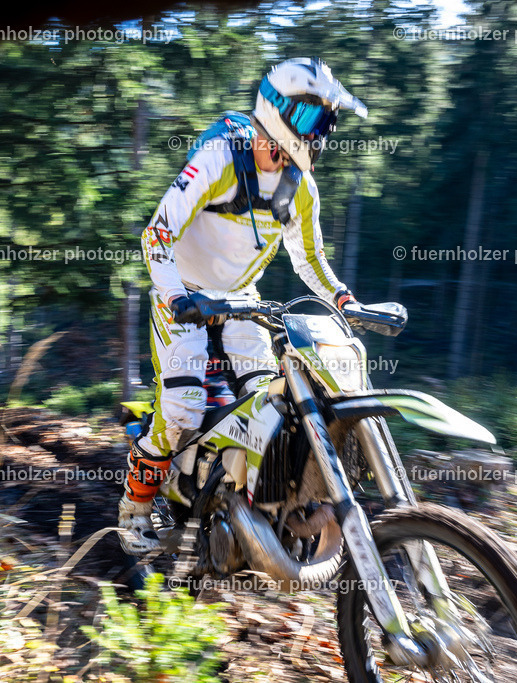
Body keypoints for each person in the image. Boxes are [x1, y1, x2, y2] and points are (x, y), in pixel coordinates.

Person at [118, 58, 373, 554]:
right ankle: (135, 506)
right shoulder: (219, 155)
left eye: (327, 124)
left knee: (270, 409)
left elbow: (310, 259)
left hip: (243, 302)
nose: (319, 136)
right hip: (185, 293)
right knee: (182, 412)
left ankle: (250, 509)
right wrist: (176, 297)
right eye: (312, 121)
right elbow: (156, 235)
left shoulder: (299, 185)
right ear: (279, 111)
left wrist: (344, 298)